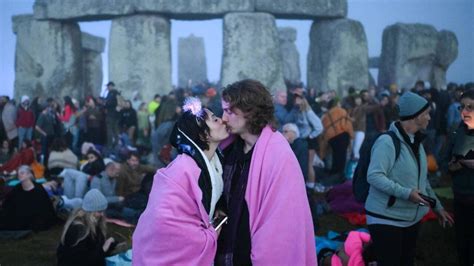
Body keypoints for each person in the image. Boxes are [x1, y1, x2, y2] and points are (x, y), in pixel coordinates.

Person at [216, 79, 316, 265]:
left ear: (250, 111)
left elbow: (283, 221)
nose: (224, 117)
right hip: (227, 248)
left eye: (230, 111)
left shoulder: (278, 155)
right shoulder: (228, 150)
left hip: (252, 253)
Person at [133, 97, 229, 265]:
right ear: (203, 134)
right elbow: (162, 220)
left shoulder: (216, 162)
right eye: (215, 120)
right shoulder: (182, 169)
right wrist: (209, 235)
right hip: (161, 251)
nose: (222, 120)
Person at [365, 91, 454, 266]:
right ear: (416, 116)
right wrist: (407, 193)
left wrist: (437, 207)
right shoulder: (387, 142)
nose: (429, 118)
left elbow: (423, 181)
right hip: (386, 218)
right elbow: (374, 176)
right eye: (427, 114)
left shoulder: (416, 142)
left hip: (410, 219)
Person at [446, 89, 474, 266]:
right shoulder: (457, 132)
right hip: (461, 198)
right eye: (462, 107)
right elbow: (445, 161)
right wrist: (453, 166)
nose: (465, 111)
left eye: (470, 107)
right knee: (462, 246)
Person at [57, 189, 115, 266]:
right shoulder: (78, 230)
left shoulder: (93, 222)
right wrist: (104, 248)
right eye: (99, 211)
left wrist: (110, 244)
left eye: (103, 211)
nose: (102, 214)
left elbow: (94, 246)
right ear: (90, 211)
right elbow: (83, 261)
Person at [0, 165, 56, 231]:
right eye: (18, 173)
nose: (19, 175)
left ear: (29, 174)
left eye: (22, 173)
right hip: (18, 216)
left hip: (35, 219)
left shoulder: (38, 189)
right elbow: (7, 204)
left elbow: (44, 208)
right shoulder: (17, 188)